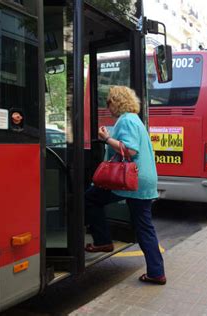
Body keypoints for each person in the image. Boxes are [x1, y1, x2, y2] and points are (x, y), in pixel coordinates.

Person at [84, 86, 166, 285]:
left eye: (109, 102)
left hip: (132, 180)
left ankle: (104, 241)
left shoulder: (127, 120)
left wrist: (106, 139)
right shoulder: (133, 119)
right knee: (144, 226)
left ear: (116, 102)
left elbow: (130, 150)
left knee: (90, 198)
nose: (107, 106)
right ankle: (156, 272)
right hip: (141, 180)